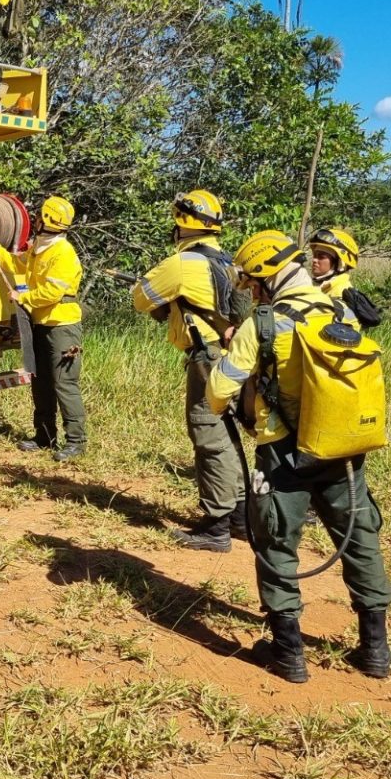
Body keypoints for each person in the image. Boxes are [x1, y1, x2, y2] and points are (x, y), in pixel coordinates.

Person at [205, 229, 391, 683]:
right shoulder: (341, 308)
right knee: (359, 539)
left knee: (275, 546)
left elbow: (217, 392)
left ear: (268, 276)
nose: (251, 291)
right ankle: (376, 651)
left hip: (283, 454)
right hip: (343, 450)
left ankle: (288, 654)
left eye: (252, 283)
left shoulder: (262, 323)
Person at [131, 190, 250, 551]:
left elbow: (140, 298)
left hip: (206, 357)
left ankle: (216, 525)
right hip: (233, 355)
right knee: (226, 433)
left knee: (208, 433)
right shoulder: (228, 261)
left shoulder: (182, 264)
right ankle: (241, 516)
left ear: (181, 222)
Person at [0, 196, 88, 462]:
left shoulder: (63, 253)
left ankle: (76, 441)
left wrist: (24, 298)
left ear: (46, 219)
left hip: (61, 327)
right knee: (40, 382)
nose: (36, 220)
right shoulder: (40, 247)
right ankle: (44, 436)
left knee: (64, 384)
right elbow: (17, 264)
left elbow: (52, 292)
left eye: (40, 216)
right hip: (39, 324)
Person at [309, 227, 383, 328]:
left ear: (340, 263)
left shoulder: (341, 294)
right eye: (314, 255)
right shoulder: (320, 287)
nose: (314, 260)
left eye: (321, 257)